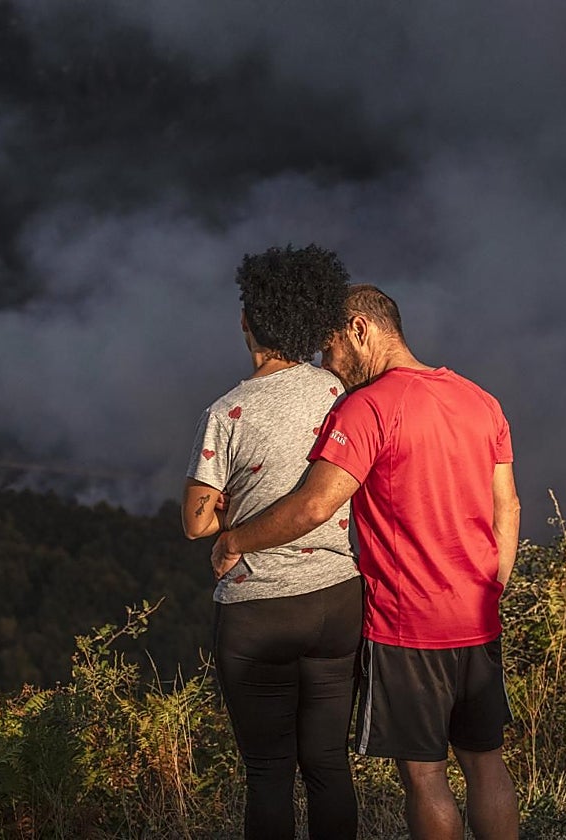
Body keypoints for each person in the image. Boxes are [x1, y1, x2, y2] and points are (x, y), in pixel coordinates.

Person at [212, 284, 522, 840]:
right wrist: (489, 591)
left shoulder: (368, 407)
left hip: (408, 626)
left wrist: (236, 540)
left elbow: (314, 505)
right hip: (477, 618)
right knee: (486, 763)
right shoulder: (480, 400)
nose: (328, 364)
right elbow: (509, 508)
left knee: (425, 776)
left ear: (359, 329)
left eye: (330, 347)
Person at [182, 244, 361, 840]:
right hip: (339, 599)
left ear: (246, 321)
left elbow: (196, 522)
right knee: (329, 763)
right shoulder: (340, 393)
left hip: (258, 607)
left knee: (268, 771)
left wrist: (233, 514)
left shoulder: (227, 412)